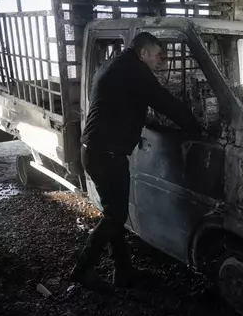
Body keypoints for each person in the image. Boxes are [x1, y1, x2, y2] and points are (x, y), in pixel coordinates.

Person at [71, 32, 201, 291]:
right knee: (115, 217)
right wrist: (196, 127)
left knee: (114, 214)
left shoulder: (116, 63)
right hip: (106, 155)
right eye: (157, 55)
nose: (160, 60)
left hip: (96, 151)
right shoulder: (134, 70)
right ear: (143, 53)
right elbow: (164, 102)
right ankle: (82, 269)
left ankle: (123, 271)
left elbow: (125, 102)